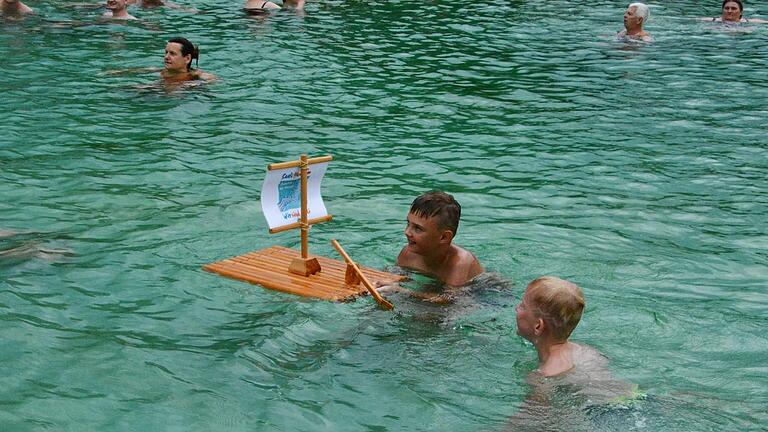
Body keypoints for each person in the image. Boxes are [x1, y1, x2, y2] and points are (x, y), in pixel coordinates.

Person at [508, 276, 640, 429]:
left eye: (523, 306)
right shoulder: (586, 351)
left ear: (538, 326)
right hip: (634, 399)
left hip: (607, 418)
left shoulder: (545, 375)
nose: (516, 308)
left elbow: (527, 422)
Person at [394, 191, 483, 287]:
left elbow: (449, 300)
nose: (406, 232)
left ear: (444, 237)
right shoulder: (408, 254)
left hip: (482, 292)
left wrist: (401, 291)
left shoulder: (461, 262)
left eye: (418, 228)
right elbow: (391, 277)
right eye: (408, 223)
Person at [699, 0, 768, 24]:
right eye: (726, 8)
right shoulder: (711, 21)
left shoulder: (749, 22)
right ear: (722, 10)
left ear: (741, 12)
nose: (729, 11)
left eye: (733, 8)